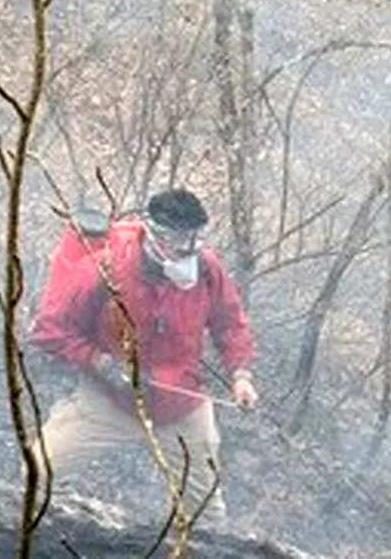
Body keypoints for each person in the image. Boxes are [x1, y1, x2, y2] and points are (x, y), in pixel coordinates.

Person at [28, 187, 259, 526]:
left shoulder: (207, 270)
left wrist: (241, 376)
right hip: (110, 399)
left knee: (206, 517)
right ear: (156, 237)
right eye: (181, 240)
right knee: (37, 472)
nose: (189, 249)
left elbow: (230, 322)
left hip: (182, 404)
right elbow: (49, 330)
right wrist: (102, 364)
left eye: (194, 239)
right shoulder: (105, 267)